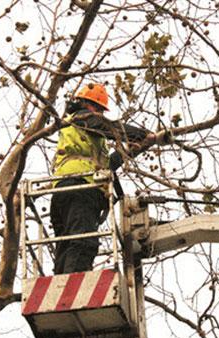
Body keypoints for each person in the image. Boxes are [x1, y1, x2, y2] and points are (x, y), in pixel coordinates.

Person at [49, 83, 156, 275]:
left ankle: (59, 285)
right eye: (97, 108)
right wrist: (144, 135)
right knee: (83, 242)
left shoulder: (86, 134)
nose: (99, 113)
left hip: (66, 190)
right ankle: (71, 290)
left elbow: (108, 165)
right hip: (80, 187)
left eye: (100, 110)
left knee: (67, 244)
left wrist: (132, 149)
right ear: (84, 104)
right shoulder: (82, 118)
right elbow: (111, 128)